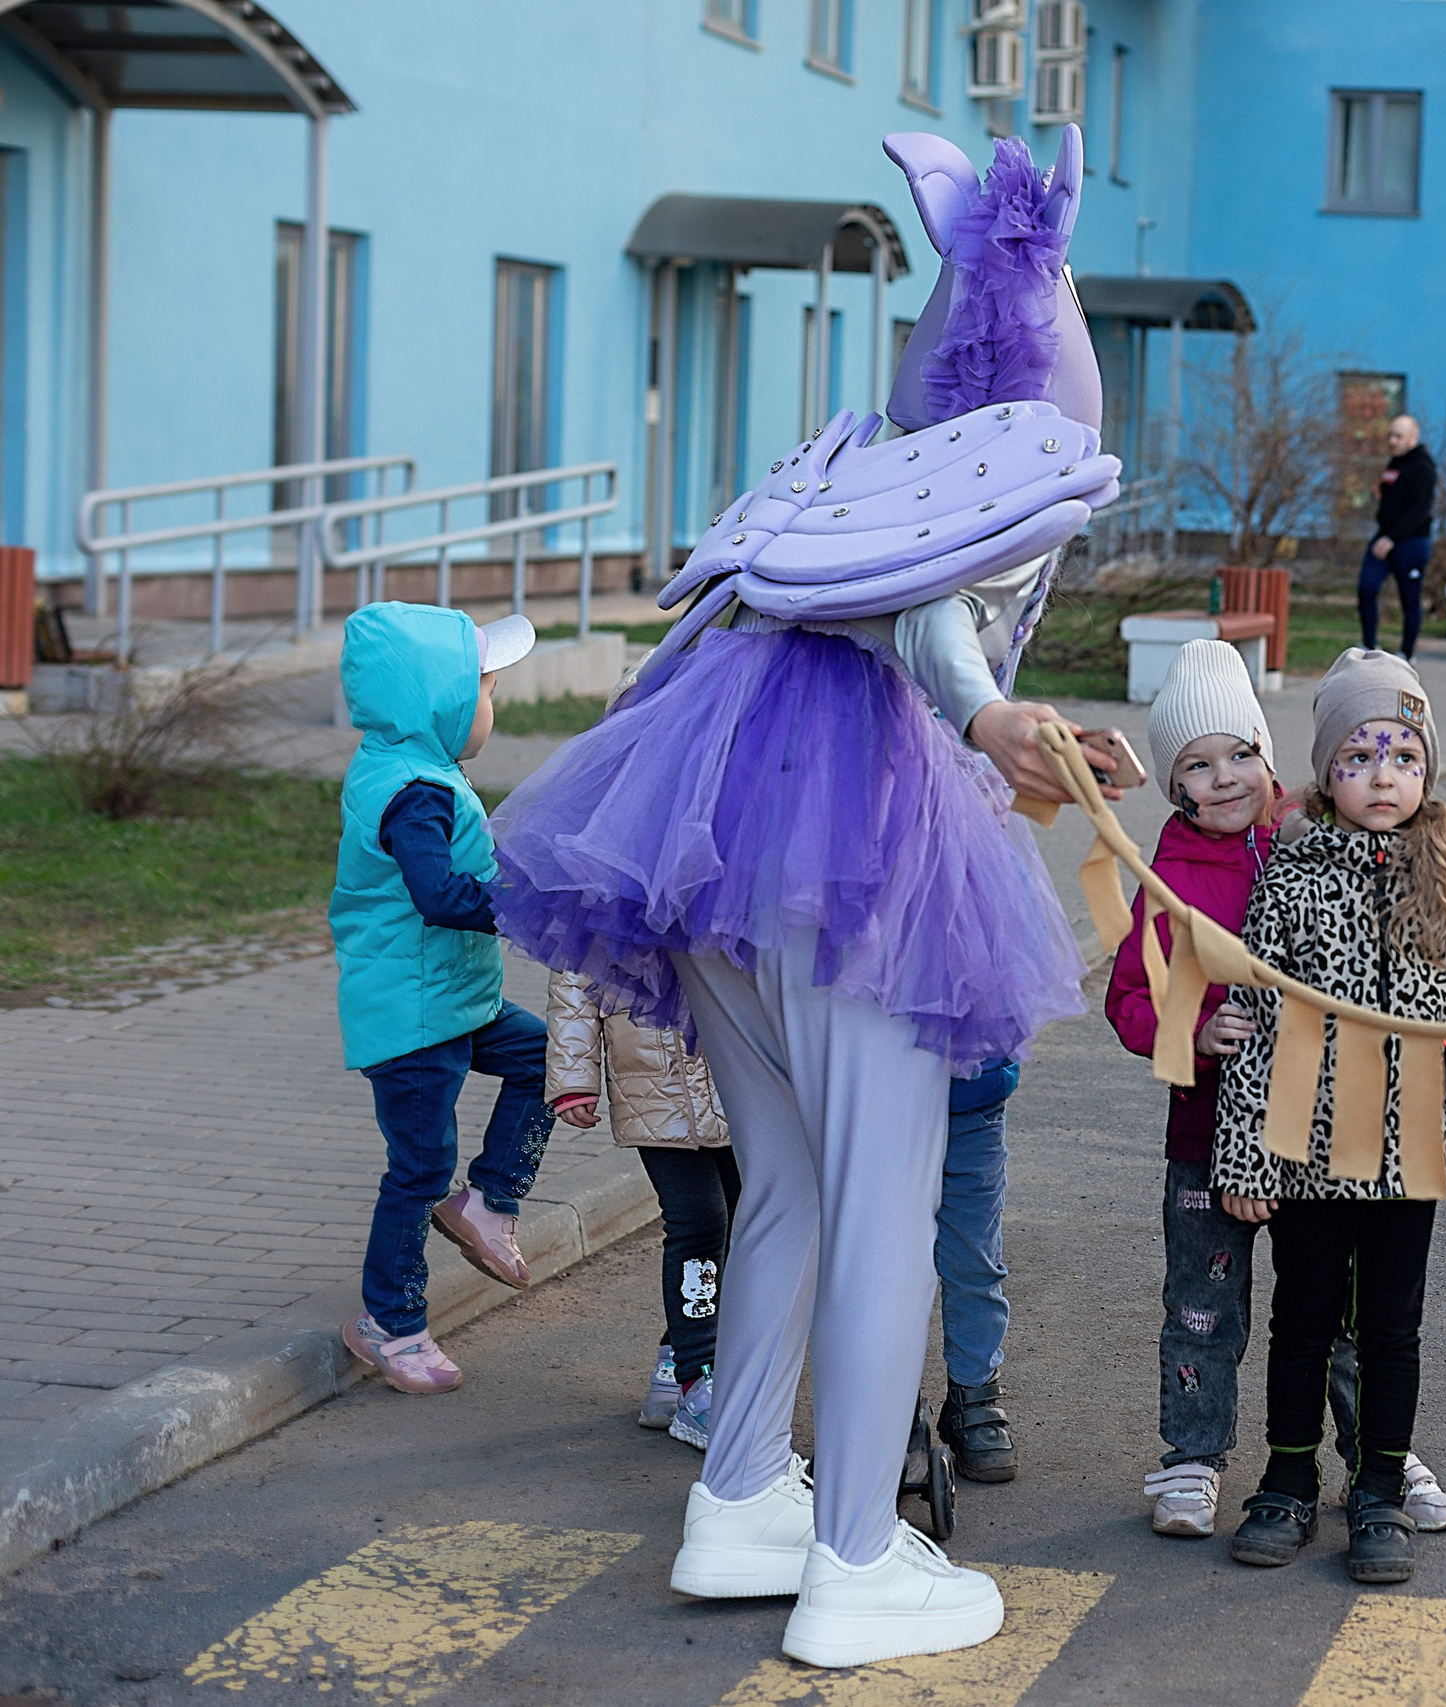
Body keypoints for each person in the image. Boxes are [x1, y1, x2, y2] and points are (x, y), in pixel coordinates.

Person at [491, 129, 1122, 1670]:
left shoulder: (832, 464)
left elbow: (744, 617)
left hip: (713, 843)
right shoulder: (989, 466)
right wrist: (989, 716)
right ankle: (853, 1558)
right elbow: (928, 616)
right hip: (858, 859)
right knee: (885, 1196)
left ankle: (739, 1496)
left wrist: (995, 720)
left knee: (785, 1179)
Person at [1106, 640, 1446, 1542]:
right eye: (1198, 765)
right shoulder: (1168, 879)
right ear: (1175, 784)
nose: (1225, 777)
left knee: (1337, 1311)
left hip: (1320, 1139)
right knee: (1204, 1305)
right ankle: (1193, 1456)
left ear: (1270, 756)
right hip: (1207, 1134)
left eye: (1240, 753)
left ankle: (1378, 1455)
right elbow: (1130, 998)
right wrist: (1192, 1031)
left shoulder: (1315, 842)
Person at [1214, 650, 1446, 1587]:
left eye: (1402, 756)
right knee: (1302, 1320)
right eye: (1360, 756)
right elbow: (1255, 1023)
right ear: (1325, 773)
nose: (1384, 776)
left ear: (1426, 771)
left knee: (1392, 1327)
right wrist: (1247, 1159)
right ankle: (1287, 1480)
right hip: (1307, 1153)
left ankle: (1379, 1488)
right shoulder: (1293, 877)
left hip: (1408, 1156)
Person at [331, 603, 547, 1396]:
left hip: (453, 1000)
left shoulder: (417, 766)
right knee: (420, 1168)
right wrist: (525, 905)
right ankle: (390, 1322)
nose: (494, 705)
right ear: (441, 702)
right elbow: (438, 894)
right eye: (485, 689)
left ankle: (488, 1202)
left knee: (547, 1056)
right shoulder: (411, 792)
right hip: (415, 1018)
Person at [544, 970, 734, 1446]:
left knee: (747, 1217)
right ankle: (698, 1379)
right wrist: (573, 1075)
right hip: (654, 1080)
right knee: (699, 1221)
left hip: (734, 1070)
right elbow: (573, 975)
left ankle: (677, 1355)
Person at [934, 1058, 1020, 1483]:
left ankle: (974, 1390)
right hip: (876, 1098)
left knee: (974, 1261)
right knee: (885, 1267)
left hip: (972, 1095)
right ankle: (887, 1401)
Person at [1362, 415, 1436, 660]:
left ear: (1413, 438)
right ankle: (1369, 644)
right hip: (1384, 536)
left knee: (1409, 598)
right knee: (1367, 587)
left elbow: (1420, 510)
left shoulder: (1423, 467)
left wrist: (1392, 538)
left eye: (1398, 436)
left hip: (1411, 541)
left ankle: (1407, 651)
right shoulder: (1394, 463)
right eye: (1390, 436)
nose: (1392, 441)